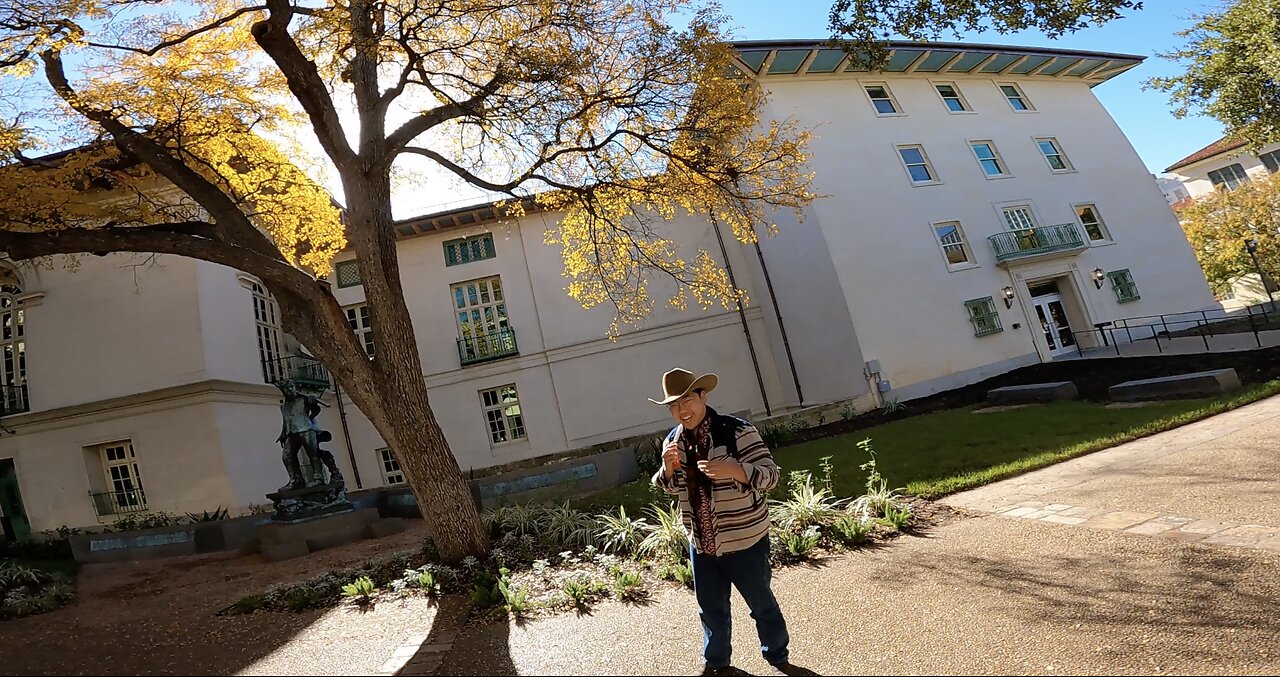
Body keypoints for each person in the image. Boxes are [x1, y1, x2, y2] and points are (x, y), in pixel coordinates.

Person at [650, 367, 791, 675]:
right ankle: (716, 664)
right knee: (711, 610)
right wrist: (668, 468)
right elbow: (670, 486)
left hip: (746, 539)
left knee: (761, 604)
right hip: (701, 542)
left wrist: (735, 470)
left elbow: (770, 475)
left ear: (703, 396)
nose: (681, 410)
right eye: (674, 405)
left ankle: (778, 655)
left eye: (687, 400)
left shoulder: (737, 431)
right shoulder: (673, 441)